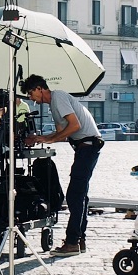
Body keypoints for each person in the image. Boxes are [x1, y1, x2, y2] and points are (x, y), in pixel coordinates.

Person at [23, 74, 102, 256]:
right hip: (85, 147)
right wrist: (41, 138)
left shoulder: (58, 97)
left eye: (31, 94)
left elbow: (74, 126)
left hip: (88, 146)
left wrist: (50, 138)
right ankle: (79, 239)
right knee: (80, 195)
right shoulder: (54, 105)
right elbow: (61, 134)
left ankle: (72, 242)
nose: (31, 99)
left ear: (39, 89)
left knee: (75, 195)